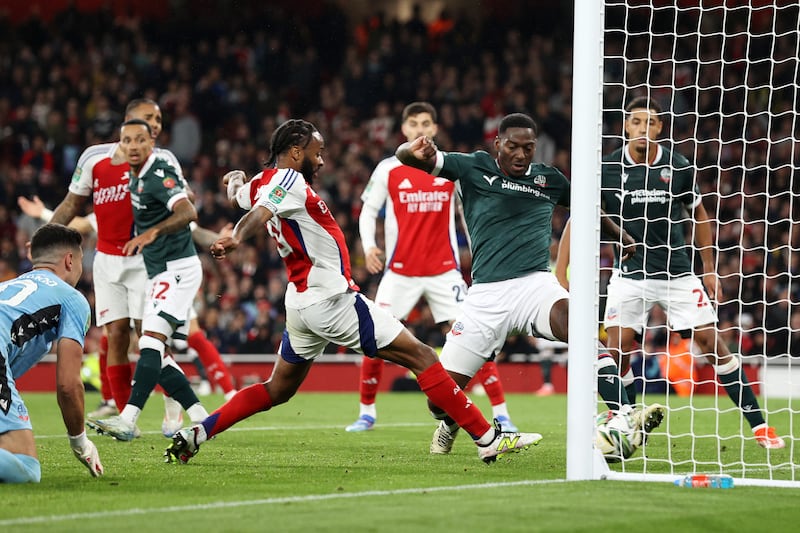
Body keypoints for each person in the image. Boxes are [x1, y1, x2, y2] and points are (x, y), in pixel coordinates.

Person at [165, 119, 542, 465]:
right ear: (296, 152)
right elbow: (259, 214)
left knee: (277, 389)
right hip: (332, 300)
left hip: (300, 304)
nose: (323, 161)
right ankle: (488, 437)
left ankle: (197, 432)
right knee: (423, 356)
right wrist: (235, 238)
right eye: (318, 152)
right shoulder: (290, 180)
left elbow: (244, 197)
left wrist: (233, 183)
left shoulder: (262, 181)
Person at [395, 112, 662, 456]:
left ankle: (624, 413)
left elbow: (588, 208)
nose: (521, 155)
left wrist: (620, 235)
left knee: (578, 325)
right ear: (498, 145)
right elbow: (410, 159)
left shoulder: (549, 179)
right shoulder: (473, 167)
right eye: (513, 147)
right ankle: (449, 423)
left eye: (528, 148)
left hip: (535, 286)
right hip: (486, 297)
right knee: (438, 402)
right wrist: (410, 148)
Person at [575, 96, 783, 448]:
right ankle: (628, 418)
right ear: (626, 126)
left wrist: (710, 269)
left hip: (677, 275)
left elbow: (699, 215)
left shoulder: (678, 166)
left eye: (651, 122)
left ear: (660, 128)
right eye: (637, 121)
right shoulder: (606, 169)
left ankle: (759, 425)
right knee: (617, 348)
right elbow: (584, 217)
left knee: (711, 343)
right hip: (628, 276)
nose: (644, 128)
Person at [40, 98, 236, 434]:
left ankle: (173, 407)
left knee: (151, 339)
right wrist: (46, 237)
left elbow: (183, 211)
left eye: (158, 120)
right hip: (107, 261)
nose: (156, 125)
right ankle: (123, 414)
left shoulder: (162, 162)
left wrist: (197, 237)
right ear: (128, 125)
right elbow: (73, 203)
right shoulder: (94, 158)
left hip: (150, 262)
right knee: (116, 336)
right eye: (149, 119)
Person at [346, 102, 518, 434]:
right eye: (413, 124)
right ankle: (366, 412)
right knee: (375, 336)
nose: (420, 129)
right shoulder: (388, 169)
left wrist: (478, 251)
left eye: (426, 123)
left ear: (435, 129)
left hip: (444, 272)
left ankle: (502, 413)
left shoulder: (449, 166)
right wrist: (369, 247)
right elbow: (368, 211)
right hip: (400, 271)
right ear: (404, 130)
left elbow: (469, 213)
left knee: (475, 337)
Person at [86, 119, 209, 441]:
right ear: (121, 146)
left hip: (178, 269)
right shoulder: (134, 178)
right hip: (160, 272)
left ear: (151, 143)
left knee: (151, 342)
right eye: (128, 141)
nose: (134, 146)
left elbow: (187, 212)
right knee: (151, 346)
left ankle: (128, 419)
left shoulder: (155, 175)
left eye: (141, 139)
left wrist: (153, 232)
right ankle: (201, 417)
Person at [0, 223, 104, 482]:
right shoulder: (72, 298)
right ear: (70, 260)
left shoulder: (9, 286)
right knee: (26, 468)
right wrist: (80, 442)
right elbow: (68, 385)